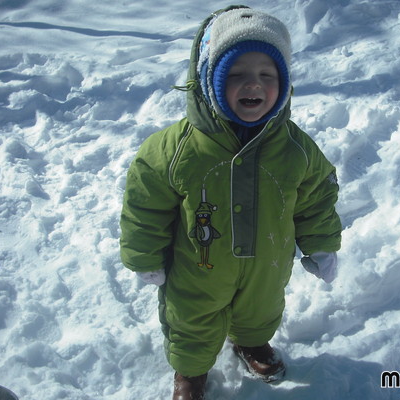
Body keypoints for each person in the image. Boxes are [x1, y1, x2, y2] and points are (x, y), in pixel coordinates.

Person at [120, 5, 342, 399]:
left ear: (284, 83)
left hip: (267, 267)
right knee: (192, 320)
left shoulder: (295, 149)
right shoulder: (174, 149)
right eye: (236, 74)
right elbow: (145, 207)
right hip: (197, 268)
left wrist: (322, 244)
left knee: (261, 310)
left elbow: (315, 200)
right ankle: (190, 371)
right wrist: (144, 257)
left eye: (266, 75)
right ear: (209, 80)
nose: (253, 84)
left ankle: (251, 341)